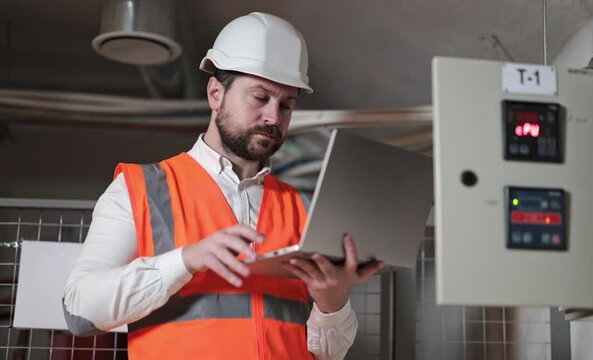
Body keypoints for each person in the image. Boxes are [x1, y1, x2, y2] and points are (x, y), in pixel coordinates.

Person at [63, 12, 384, 360]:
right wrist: (187, 259)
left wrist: (332, 304)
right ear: (216, 93)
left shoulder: (304, 209)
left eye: (286, 104)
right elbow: (80, 311)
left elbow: (325, 355)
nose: (273, 117)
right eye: (260, 98)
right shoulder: (139, 189)